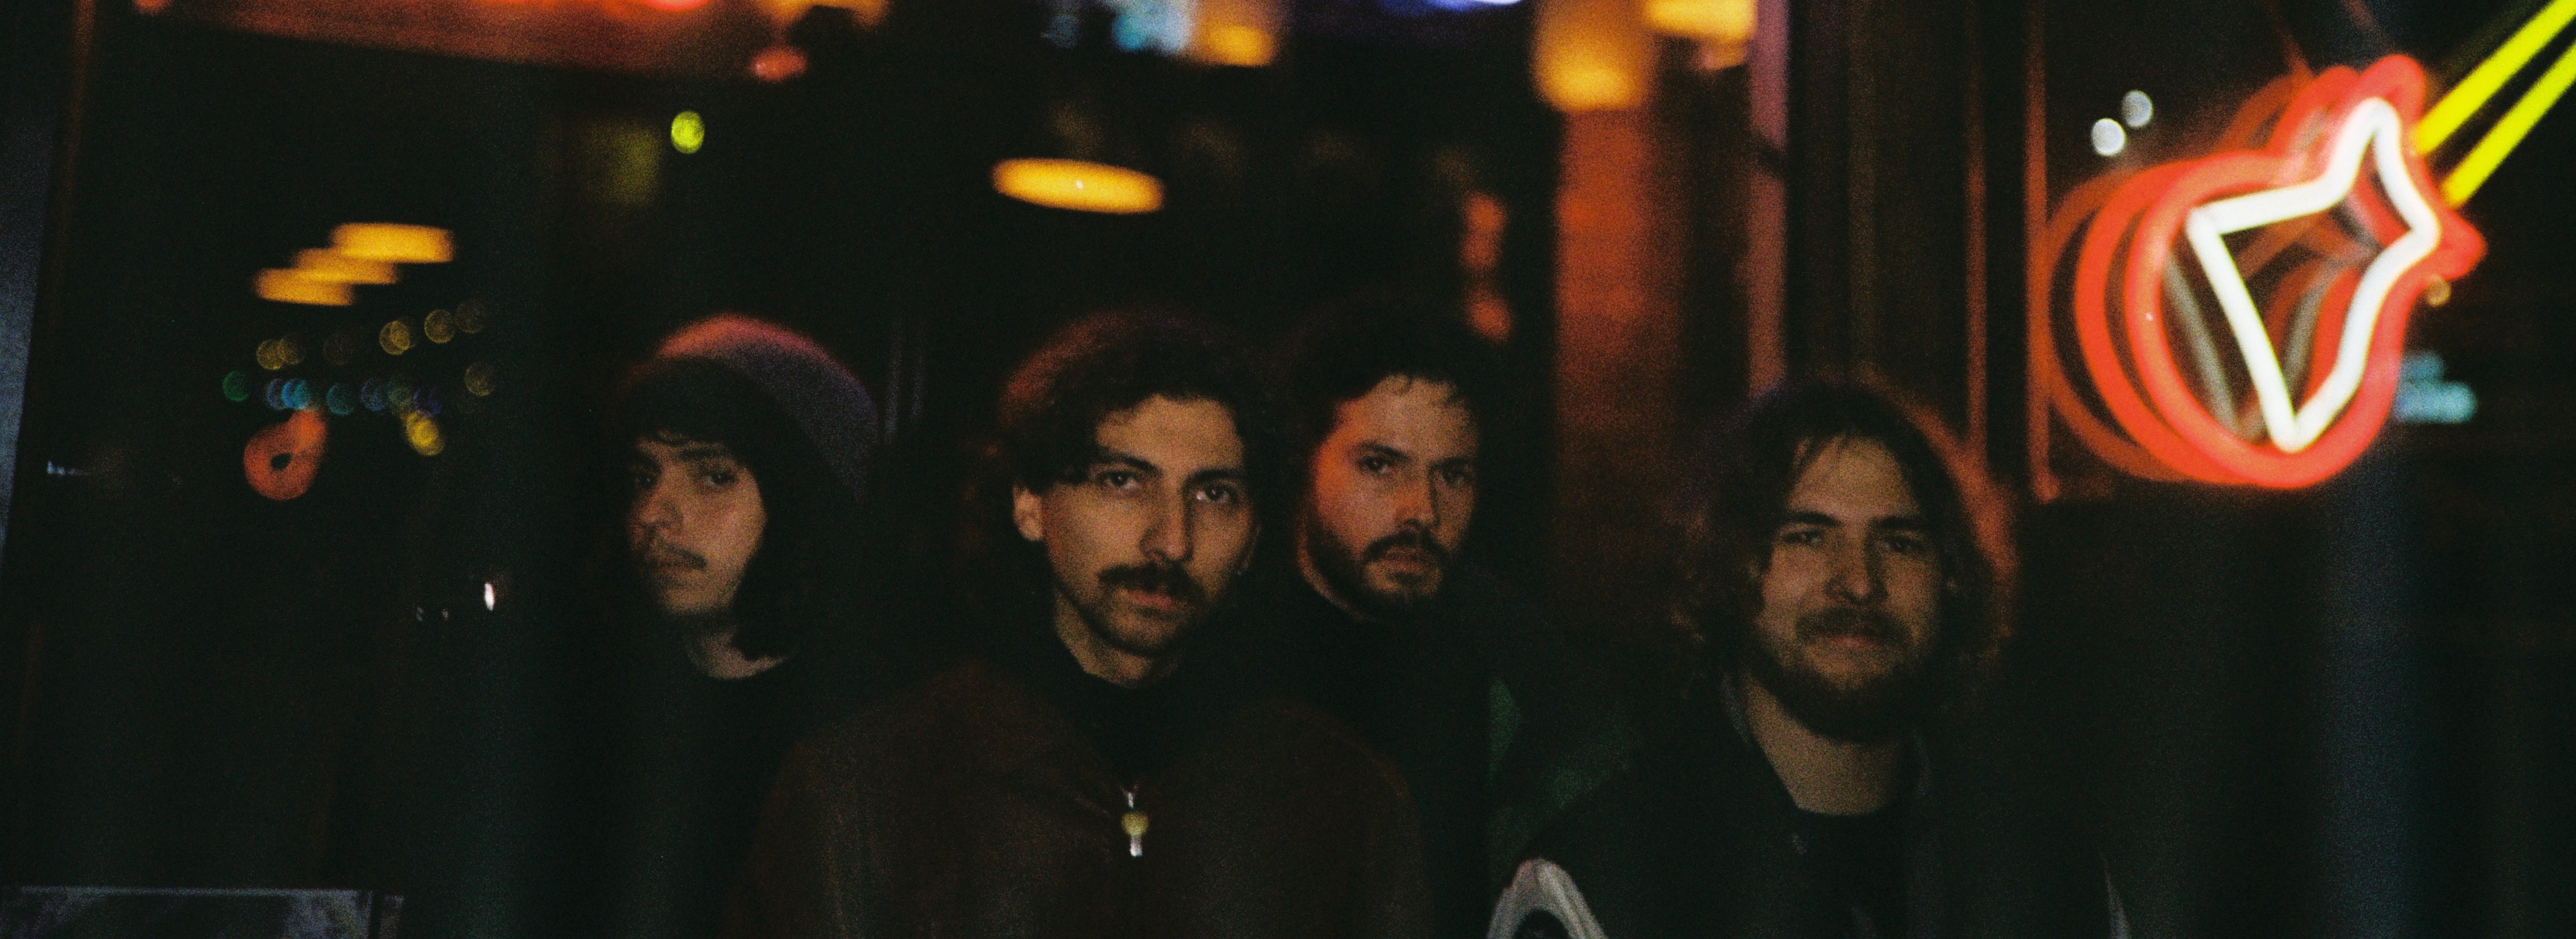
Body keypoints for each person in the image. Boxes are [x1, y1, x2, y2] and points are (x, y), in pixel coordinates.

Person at [725, 309, 1432, 939]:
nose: (1171, 539)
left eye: (1214, 493)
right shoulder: (862, 791)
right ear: (1030, 502)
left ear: (1253, 537)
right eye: (1122, 481)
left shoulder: (1344, 797)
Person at [1489, 375, 2125, 939]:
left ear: (1952, 579)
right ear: (1726, 563)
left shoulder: (2053, 879)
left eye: (1899, 542)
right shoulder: (1603, 878)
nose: (1859, 581)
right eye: (1809, 537)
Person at [1246, 294, 1630, 938]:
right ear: (1302, 462)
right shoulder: (1219, 643)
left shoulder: (1518, 661)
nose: (1421, 509)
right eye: (1379, 464)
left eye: (1452, 474)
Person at [574, 315, 882, 939]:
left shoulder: (878, 739)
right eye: (642, 476)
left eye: (713, 475)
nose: (654, 512)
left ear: (802, 500)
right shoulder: (588, 714)